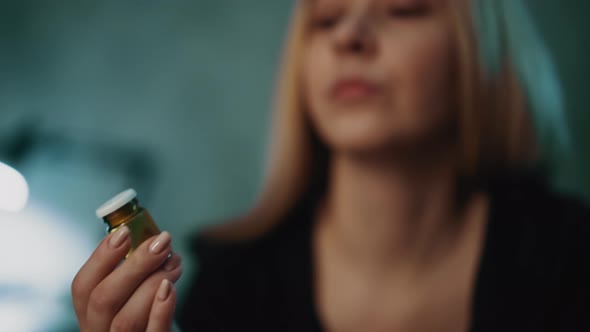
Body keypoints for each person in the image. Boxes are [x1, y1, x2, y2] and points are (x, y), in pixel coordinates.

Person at [71, 0, 590, 331]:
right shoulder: (236, 287)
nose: (350, 37)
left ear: (481, 50)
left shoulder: (570, 258)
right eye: (326, 19)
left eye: (404, 9)